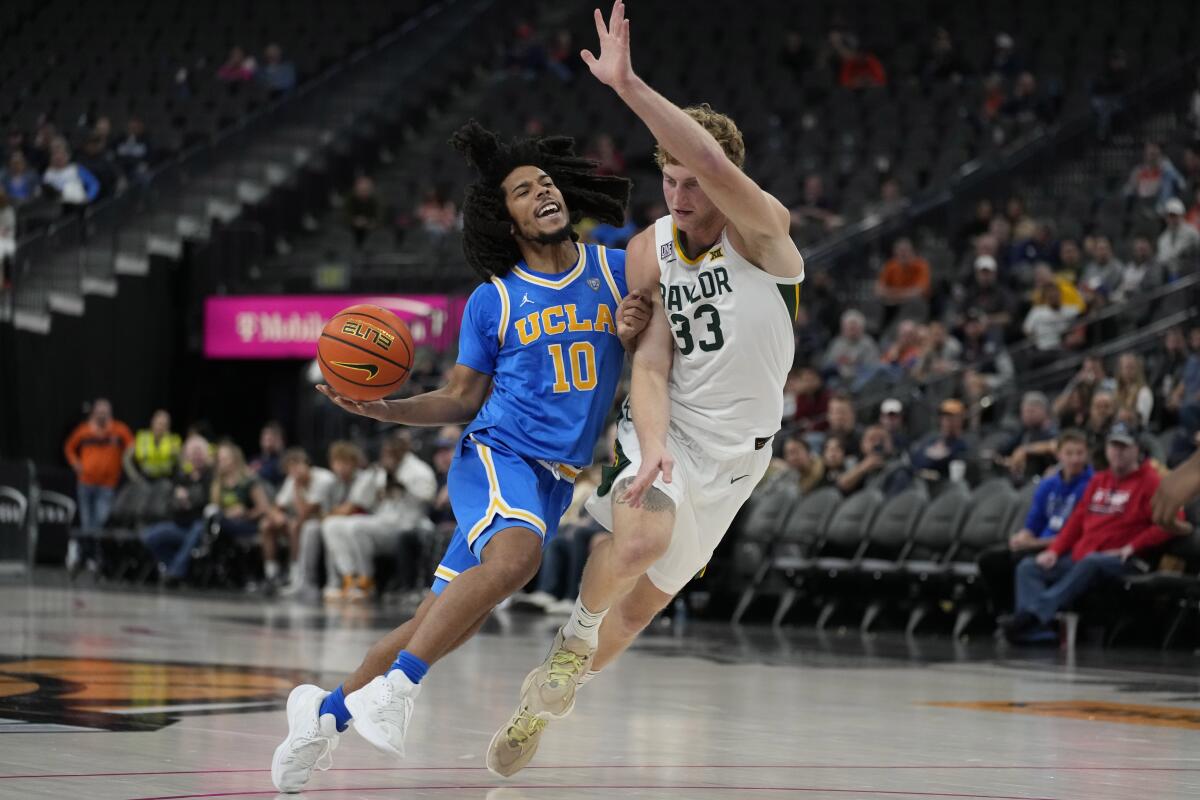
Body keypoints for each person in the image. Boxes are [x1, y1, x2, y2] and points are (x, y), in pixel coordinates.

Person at [269, 119, 650, 793]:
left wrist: (638, 327)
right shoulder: (494, 300)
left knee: (444, 623)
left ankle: (320, 717)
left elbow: (654, 333)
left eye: (546, 184)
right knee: (517, 557)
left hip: (556, 479)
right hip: (499, 456)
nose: (544, 195)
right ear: (506, 223)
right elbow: (459, 397)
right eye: (525, 193)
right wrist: (386, 410)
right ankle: (399, 690)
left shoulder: (617, 272)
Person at [491, 3, 805, 775]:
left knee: (634, 619)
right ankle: (567, 650)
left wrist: (627, 84)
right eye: (667, 179)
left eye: (693, 182)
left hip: (741, 462)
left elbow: (720, 170)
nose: (678, 196)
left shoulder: (764, 233)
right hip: (672, 429)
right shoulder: (646, 250)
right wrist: (654, 444)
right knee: (639, 535)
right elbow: (655, 363)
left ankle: (536, 703)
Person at [1002, 423, 1181, 643]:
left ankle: (1031, 616)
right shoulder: (1099, 480)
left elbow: (1172, 521)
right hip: (1084, 555)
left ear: (1137, 449)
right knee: (1029, 567)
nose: (1118, 452)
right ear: (1106, 449)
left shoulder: (1152, 482)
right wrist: (1055, 551)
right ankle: (1037, 632)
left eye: (1124, 447)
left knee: (1092, 562)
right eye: (1114, 446)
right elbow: (1077, 521)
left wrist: (1133, 546)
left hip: (1126, 559)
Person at [977, 430, 1093, 613]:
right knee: (990, 559)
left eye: (1080, 453)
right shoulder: (1048, 484)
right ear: (1059, 455)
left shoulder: (1091, 485)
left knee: (1019, 561)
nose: (1075, 459)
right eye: (1069, 453)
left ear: (1087, 455)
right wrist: (1022, 538)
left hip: (1067, 547)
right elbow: (1034, 522)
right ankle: (1004, 614)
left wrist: (1034, 543)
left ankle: (1026, 617)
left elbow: (1080, 535)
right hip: (1040, 542)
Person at [321, 433, 438, 599]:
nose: (388, 455)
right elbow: (363, 501)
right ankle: (349, 577)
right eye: (386, 451)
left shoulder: (418, 469)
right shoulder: (383, 470)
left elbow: (428, 496)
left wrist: (404, 486)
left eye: (392, 451)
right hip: (384, 521)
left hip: (409, 523)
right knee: (332, 524)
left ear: (403, 450)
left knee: (356, 527)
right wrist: (372, 475)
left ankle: (366, 579)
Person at [260, 448, 341, 592]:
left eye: (297, 465)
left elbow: (304, 513)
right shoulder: (292, 479)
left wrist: (296, 490)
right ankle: (271, 574)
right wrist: (278, 516)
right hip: (308, 521)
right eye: (290, 469)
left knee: (297, 525)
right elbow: (276, 506)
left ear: (306, 463)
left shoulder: (324, 478)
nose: (294, 471)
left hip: (328, 519)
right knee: (267, 525)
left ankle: (297, 577)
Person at [140, 438, 215, 584]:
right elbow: (170, 503)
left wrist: (188, 500)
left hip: (201, 527)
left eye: (199, 453)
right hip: (180, 525)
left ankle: (175, 572)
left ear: (206, 455)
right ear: (187, 456)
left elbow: (208, 501)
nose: (196, 456)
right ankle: (175, 566)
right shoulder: (182, 477)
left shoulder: (211, 477)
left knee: (197, 529)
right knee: (149, 536)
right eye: (193, 453)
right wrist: (179, 502)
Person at [63, 398, 134, 539]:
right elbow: (68, 447)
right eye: (99, 412)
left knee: (101, 521)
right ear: (94, 413)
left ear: (110, 413)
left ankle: (97, 555)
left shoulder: (119, 429)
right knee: (86, 522)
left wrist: (126, 460)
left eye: (105, 412)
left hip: (107, 485)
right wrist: (75, 462)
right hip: (85, 482)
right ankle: (87, 555)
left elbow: (132, 446)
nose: (102, 415)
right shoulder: (84, 430)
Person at [909, 399, 970, 482]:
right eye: (945, 417)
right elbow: (916, 460)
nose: (948, 421)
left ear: (961, 419)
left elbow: (958, 460)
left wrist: (938, 455)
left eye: (952, 417)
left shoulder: (965, 441)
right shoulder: (932, 438)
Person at [875, 237, 930, 329]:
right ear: (895, 253)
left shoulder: (921, 265)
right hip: (893, 305)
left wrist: (893, 294)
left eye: (905, 251)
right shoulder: (890, 265)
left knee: (915, 303)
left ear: (912, 252)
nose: (903, 254)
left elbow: (919, 291)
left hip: (915, 306)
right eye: (900, 251)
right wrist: (904, 294)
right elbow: (879, 290)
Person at [123, 409, 181, 483]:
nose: (161, 427)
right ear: (152, 422)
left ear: (168, 427)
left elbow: (181, 463)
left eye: (164, 425)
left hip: (164, 479)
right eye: (159, 423)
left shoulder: (173, 441)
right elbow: (126, 457)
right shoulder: (143, 439)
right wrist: (134, 477)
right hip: (145, 478)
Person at [1157, 198, 1200, 278]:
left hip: (1189, 274)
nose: (1172, 219)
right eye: (1170, 216)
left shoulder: (1191, 233)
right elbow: (1162, 259)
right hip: (1169, 274)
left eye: (1174, 216)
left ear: (1182, 215)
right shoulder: (1163, 238)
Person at [249, 421, 287, 491]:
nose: (267, 437)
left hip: (273, 491)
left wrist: (280, 449)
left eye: (271, 436)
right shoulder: (255, 459)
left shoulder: (281, 460)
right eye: (265, 435)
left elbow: (273, 475)